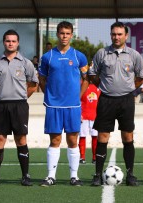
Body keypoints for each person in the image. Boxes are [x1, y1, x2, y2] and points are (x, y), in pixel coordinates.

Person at [86, 22, 143, 186]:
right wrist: (104, 86)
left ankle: (130, 175)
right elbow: (92, 74)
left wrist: (129, 88)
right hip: (106, 100)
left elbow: (140, 77)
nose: (116, 37)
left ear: (126, 36)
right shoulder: (101, 53)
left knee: (128, 137)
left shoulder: (134, 55)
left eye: (120, 34)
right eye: (114, 34)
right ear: (110, 35)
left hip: (126, 100)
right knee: (102, 137)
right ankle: (97, 174)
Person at [0, 29, 38, 186]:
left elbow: (33, 85)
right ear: (4, 42)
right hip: (0, 106)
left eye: (13, 41)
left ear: (18, 43)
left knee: (21, 139)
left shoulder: (25, 63)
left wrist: (21, 97)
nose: (11, 43)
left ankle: (25, 176)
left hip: (19, 105)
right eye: (8, 41)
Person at [38, 21, 88, 187]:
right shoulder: (48, 56)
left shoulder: (79, 56)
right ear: (57, 34)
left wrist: (78, 97)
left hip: (73, 106)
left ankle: (74, 176)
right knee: (55, 140)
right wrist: (50, 95)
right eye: (61, 33)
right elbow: (42, 79)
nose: (64, 36)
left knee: (73, 140)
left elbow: (86, 80)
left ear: (72, 35)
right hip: (54, 106)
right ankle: (51, 176)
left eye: (67, 33)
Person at [79, 75, 101, 164]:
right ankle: (82, 157)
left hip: (95, 116)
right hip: (83, 116)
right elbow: (78, 101)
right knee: (82, 136)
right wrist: (79, 114)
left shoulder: (98, 87)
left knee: (95, 136)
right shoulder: (82, 86)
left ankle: (95, 157)